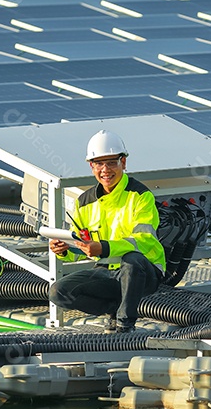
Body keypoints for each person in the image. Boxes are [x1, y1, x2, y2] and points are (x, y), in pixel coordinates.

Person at [48, 130, 166, 333]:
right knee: (58, 292)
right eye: (99, 164)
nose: (105, 170)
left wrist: (103, 248)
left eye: (111, 163)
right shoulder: (84, 202)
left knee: (131, 260)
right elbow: (80, 245)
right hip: (107, 272)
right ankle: (114, 309)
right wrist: (64, 249)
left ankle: (124, 325)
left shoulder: (140, 196)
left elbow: (145, 241)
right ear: (91, 166)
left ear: (123, 162)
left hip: (144, 273)